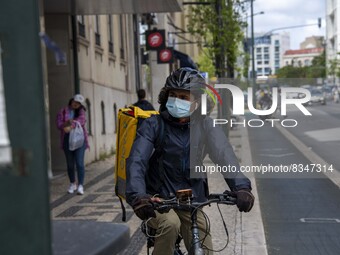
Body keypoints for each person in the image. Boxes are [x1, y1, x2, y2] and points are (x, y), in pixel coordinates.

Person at [126, 68, 254, 255]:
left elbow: (224, 156)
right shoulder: (153, 124)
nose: (177, 100)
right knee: (170, 224)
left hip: (190, 199)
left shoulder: (205, 125)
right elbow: (137, 160)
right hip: (157, 199)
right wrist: (139, 196)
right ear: (165, 96)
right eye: (173, 95)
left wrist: (241, 187)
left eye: (184, 97)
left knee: (204, 245)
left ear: (197, 102)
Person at [56, 94, 89, 195]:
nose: (76, 104)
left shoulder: (81, 112)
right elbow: (59, 124)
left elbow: (81, 121)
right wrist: (68, 124)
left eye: (78, 103)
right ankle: (72, 183)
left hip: (79, 140)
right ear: (71, 101)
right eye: (75, 102)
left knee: (79, 163)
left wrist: (70, 124)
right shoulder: (63, 111)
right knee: (70, 164)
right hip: (67, 140)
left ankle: (80, 185)